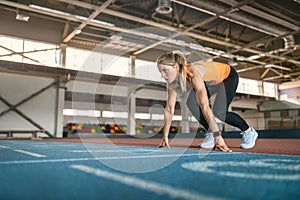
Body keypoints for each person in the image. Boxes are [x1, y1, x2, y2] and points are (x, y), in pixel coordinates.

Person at [156, 51, 258, 152]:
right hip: (211, 82)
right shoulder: (172, 83)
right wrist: (165, 136)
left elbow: (204, 106)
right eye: (161, 72)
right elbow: (169, 109)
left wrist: (218, 137)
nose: (163, 76)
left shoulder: (193, 74)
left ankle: (248, 131)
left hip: (227, 77)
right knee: (191, 103)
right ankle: (210, 132)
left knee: (220, 112)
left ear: (176, 67)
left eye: (165, 71)